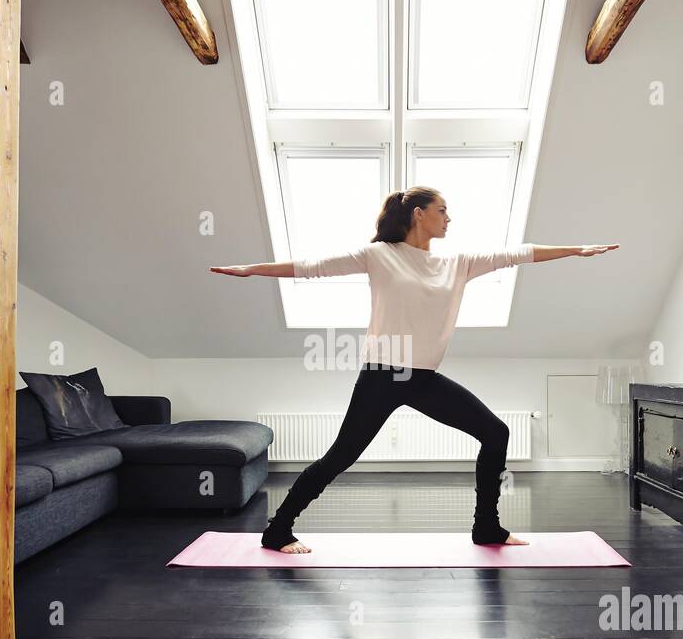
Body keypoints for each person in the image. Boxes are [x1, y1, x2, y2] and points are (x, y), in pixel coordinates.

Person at [211, 186, 618, 553]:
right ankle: (278, 531)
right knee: (340, 457)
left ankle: (487, 528)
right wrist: (251, 269)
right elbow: (310, 266)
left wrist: (576, 249)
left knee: (496, 432)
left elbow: (518, 253)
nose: (449, 217)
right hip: (383, 375)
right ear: (419, 213)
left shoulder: (458, 264)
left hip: (423, 378)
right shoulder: (379, 256)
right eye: (443, 210)